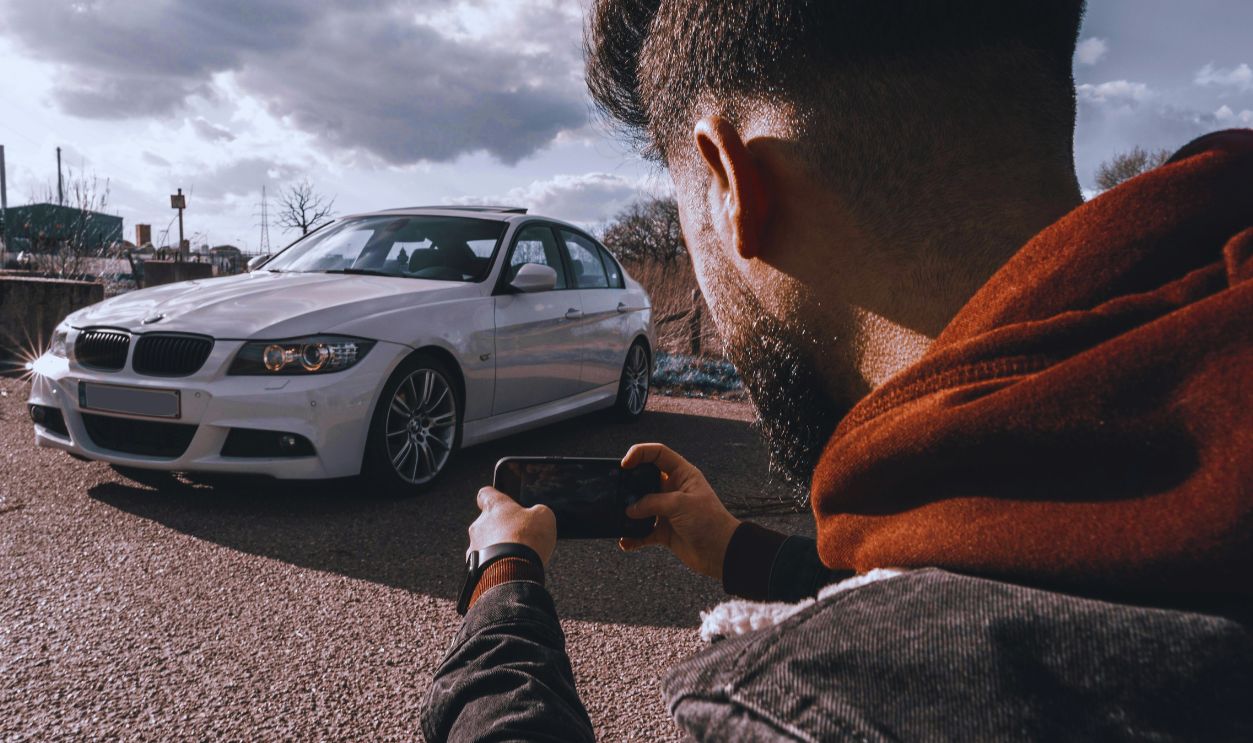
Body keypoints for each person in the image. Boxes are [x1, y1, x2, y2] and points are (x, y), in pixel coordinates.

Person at [423, 1, 1253, 740]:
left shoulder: (829, 703)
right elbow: (1011, 575)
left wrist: (504, 583)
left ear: (730, 183)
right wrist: (740, 550)